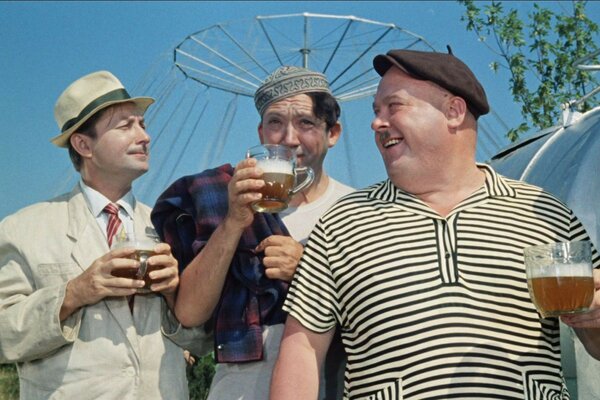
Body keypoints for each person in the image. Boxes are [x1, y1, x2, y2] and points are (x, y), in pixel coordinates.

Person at [270, 49, 600, 399]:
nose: (377, 123)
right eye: (376, 111)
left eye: (394, 107)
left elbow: (595, 343)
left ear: (453, 112)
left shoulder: (545, 213)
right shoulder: (343, 222)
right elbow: (302, 349)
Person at [151, 66, 354, 399]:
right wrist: (233, 221)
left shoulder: (356, 210)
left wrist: (309, 269)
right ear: (261, 133)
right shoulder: (225, 198)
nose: (289, 138)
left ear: (332, 133)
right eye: (275, 122)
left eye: (305, 123)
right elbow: (189, 313)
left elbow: (384, 317)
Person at [0, 71, 205, 399]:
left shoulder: (171, 226)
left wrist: (174, 294)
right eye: (126, 126)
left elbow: (204, 341)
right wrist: (74, 293)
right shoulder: (22, 229)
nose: (144, 136)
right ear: (83, 145)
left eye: (142, 124)